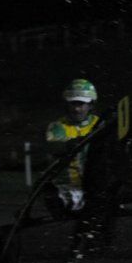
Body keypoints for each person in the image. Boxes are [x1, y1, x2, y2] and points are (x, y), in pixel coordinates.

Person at [44, 78, 99, 214]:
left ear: (91, 105)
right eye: (73, 103)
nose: (76, 109)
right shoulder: (57, 127)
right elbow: (53, 148)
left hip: (97, 187)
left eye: (81, 104)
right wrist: (73, 143)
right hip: (66, 188)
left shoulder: (101, 125)